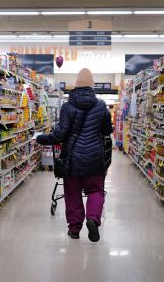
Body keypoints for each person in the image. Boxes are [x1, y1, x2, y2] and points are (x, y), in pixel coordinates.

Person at [36, 68, 113, 242]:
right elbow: (107, 131)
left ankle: (74, 229)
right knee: (96, 191)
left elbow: (59, 135)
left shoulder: (67, 107)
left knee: (72, 193)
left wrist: (40, 138)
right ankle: (93, 218)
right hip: (94, 159)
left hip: (72, 160)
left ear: (75, 86)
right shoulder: (101, 106)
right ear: (92, 86)